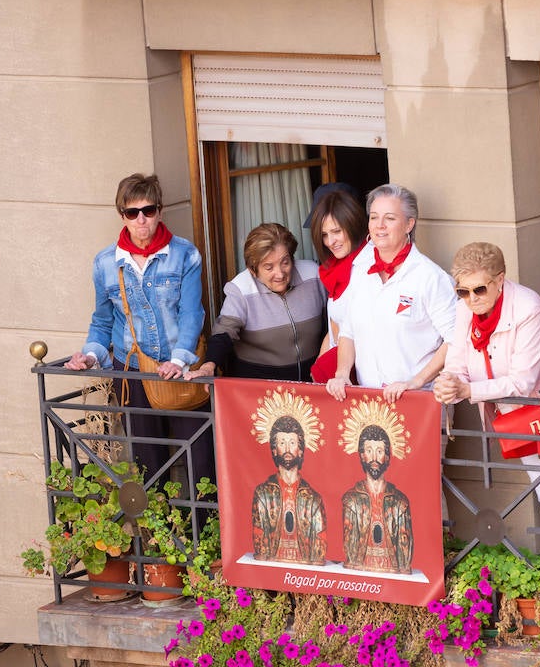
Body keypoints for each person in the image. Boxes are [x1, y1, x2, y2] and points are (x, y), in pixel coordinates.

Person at [433, 242, 540, 569]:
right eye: (463, 291)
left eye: (479, 289)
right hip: (517, 419)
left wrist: (467, 389)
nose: (472, 299)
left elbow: (522, 382)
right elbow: (456, 362)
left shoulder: (528, 308)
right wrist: (449, 381)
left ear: (500, 280)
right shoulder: (464, 310)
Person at [65, 173, 213, 485]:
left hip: (181, 369)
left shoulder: (185, 254)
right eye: (132, 213)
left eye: (148, 211)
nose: (141, 220)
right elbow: (103, 321)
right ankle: (158, 533)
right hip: (133, 372)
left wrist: (180, 359)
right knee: (149, 465)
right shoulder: (106, 263)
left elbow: (192, 313)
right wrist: (90, 356)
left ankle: (204, 530)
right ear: (122, 215)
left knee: (200, 462)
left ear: (160, 211)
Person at [326, 184, 454, 403]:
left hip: (418, 403)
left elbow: (454, 339)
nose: (380, 226)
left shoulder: (430, 277)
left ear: (409, 224)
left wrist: (416, 381)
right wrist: (342, 374)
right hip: (369, 403)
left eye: (390, 218)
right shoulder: (360, 271)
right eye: (374, 218)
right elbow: (348, 330)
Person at [190, 222, 326, 382]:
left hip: (311, 382)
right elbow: (224, 332)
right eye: (269, 267)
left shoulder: (314, 275)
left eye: (285, 262)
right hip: (260, 388)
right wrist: (209, 364)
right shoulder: (240, 289)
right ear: (253, 270)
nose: (280, 274)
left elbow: (335, 323)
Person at [307, 184, 368, 382]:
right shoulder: (333, 266)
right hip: (336, 374)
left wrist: (328, 367)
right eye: (324, 234)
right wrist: (318, 367)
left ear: (352, 223)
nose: (330, 241)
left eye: (336, 231)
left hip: (357, 374)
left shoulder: (369, 265)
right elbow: (334, 327)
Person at [250, 415, 327, 566]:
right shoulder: (263, 494)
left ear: (300, 450)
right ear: (274, 450)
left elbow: (320, 542)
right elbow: (259, 536)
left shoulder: (313, 499)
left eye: (292, 443)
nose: (287, 449)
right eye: (282, 443)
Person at [341, 421, 413, 575]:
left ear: (387, 457)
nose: (374, 457)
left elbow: (404, 547)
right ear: (362, 455)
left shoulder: (400, 502)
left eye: (379, 451)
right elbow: (349, 544)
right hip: (359, 570)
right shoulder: (351, 500)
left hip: (392, 571)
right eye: (369, 450)